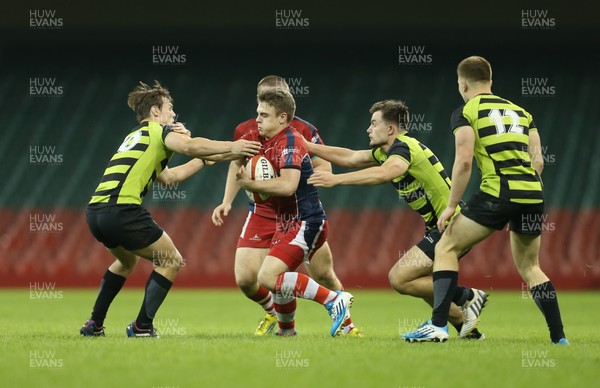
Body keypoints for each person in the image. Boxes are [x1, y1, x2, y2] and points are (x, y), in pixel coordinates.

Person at [402, 56, 568, 344]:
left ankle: (438, 326)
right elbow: (537, 161)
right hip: (533, 193)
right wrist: (517, 205)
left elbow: (464, 162)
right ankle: (559, 338)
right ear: (490, 81)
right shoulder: (522, 112)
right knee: (531, 268)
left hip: (498, 190)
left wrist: (452, 205)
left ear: (463, 83)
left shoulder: (466, 111)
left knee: (446, 246)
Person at [80, 81, 260, 337]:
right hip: (122, 211)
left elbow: (169, 177)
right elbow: (188, 146)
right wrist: (233, 147)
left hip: (96, 213)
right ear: (155, 112)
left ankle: (94, 324)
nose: (173, 114)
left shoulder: (134, 136)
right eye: (170, 108)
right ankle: (142, 327)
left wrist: (203, 160)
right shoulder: (158, 132)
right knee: (171, 260)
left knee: (125, 260)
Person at [306, 99, 486, 339]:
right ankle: (467, 327)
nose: (368, 129)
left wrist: (336, 180)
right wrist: (308, 146)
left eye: (373, 124)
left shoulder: (402, 148)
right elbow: (350, 157)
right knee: (419, 283)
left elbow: (386, 173)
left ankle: (468, 296)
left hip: (452, 224)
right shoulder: (387, 151)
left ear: (390, 129)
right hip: (444, 224)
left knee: (399, 278)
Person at [212, 76, 360, 337]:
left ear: (283, 111)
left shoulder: (297, 135)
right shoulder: (251, 131)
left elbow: (299, 178)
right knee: (254, 278)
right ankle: (285, 330)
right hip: (271, 214)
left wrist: (288, 173)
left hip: (302, 216)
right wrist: (227, 199)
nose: (259, 115)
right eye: (261, 103)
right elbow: (235, 160)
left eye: (267, 107)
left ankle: (343, 318)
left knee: (317, 274)